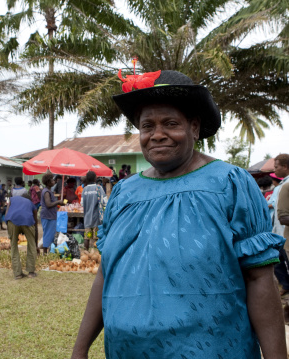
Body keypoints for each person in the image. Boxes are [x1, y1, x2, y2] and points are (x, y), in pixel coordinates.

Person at [72, 70, 286, 358]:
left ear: (194, 128)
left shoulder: (229, 183)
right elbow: (106, 272)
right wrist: (80, 348)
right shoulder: (124, 193)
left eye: (170, 123)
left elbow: (260, 279)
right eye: (147, 126)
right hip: (128, 350)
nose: (157, 135)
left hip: (212, 349)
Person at [5, 193, 38, 279]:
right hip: (27, 221)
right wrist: (35, 242)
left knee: (13, 246)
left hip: (12, 220)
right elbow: (35, 222)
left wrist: (8, 225)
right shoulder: (30, 203)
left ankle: (18, 274)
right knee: (31, 245)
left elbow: (7, 213)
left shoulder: (12, 199)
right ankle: (31, 272)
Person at [274, 154, 289, 296]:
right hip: (280, 234)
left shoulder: (284, 186)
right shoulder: (283, 185)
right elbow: (281, 216)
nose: (274, 170)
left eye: (276, 167)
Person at [81, 171, 107, 250]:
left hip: (87, 219)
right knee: (97, 238)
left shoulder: (84, 189)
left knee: (87, 237)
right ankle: (97, 255)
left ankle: (86, 253)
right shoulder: (99, 188)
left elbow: (82, 203)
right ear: (95, 178)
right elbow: (105, 202)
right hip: (97, 219)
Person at [40, 173, 64, 254]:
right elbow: (48, 204)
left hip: (50, 215)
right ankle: (44, 252)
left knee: (50, 234)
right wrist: (58, 201)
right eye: (52, 180)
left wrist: (58, 204)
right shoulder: (46, 192)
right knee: (47, 234)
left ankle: (48, 251)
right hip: (48, 216)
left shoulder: (49, 191)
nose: (54, 181)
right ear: (48, 182)